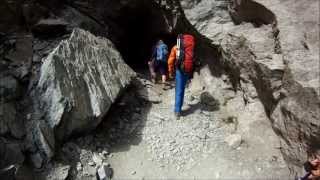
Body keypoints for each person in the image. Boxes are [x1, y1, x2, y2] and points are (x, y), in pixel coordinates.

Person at [168, 34, 195, 119]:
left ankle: (177, 111)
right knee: (182, 89)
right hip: (187, 70)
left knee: (178, 90)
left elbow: (170, 61)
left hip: (179, 70)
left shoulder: (176, 48)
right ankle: (179, 108)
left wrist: (170, 71)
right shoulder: (190, 48)